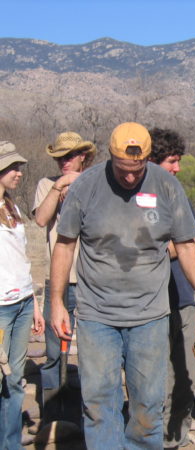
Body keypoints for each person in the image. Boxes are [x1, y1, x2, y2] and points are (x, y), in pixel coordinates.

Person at [49, 122, 195, 449]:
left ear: (148, 159)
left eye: (137, 169)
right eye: (122, 169)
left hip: (150, 316)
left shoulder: (166, 186)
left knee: (147, 406)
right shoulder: (86, 186)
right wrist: (57, 302)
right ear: (110, 157)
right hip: (97, 316)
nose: (129, 177)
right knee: (98, 404)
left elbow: (186, 245)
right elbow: (65, 244)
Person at [148, 127, 195, 448]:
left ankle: (178, 438)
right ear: (153, 161)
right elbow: (138, 253)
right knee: (154, 383)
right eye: (172, 161)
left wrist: (166, 246)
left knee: (187, 380)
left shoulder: (177, 195)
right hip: (149, 306)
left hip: (184, 301)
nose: (178, 168)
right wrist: (176, 244)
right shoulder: (134, 199)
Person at [32, 131, 96, 423]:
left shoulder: (96, 184)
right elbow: (41, 219)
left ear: (83, 156)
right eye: (59, 158)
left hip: (91, 282)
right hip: (57, 282)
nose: (64, 162)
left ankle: (85, 415)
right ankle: (52, 417)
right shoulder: (46, 184)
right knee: (53, 352)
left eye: (69, 156)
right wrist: (58, 188)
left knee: (92, 352)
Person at [0, 141, 45, 449]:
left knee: (14, 378)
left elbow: (21, 257)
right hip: (1, 307)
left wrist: (35, 304)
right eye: (13, 168)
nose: (18, 173)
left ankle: (10, 442)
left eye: (18, 167)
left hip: (21, 302)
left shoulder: (11, 206)